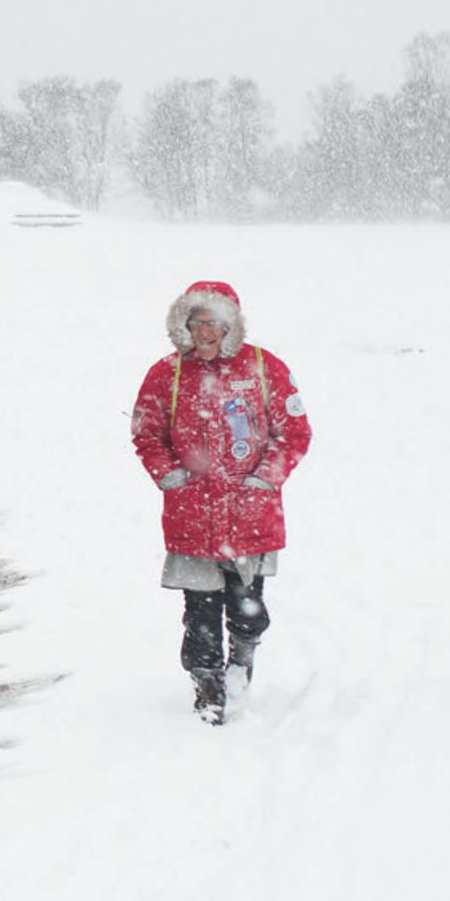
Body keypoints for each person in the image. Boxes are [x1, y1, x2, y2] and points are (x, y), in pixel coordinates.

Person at [131, 281, 312, 725]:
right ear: (183, 324)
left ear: (231, 325)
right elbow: (146, 432)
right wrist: (172, 477)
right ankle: (207, 686)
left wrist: (263, 480)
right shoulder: (166, 374)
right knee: (201, 612)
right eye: (197, 321)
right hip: (192, 514)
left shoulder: (265, 368)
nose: (205, 331)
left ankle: (241, 668)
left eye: (214, 322)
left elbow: (294, 433)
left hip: (250, 514)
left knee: (247, 606)